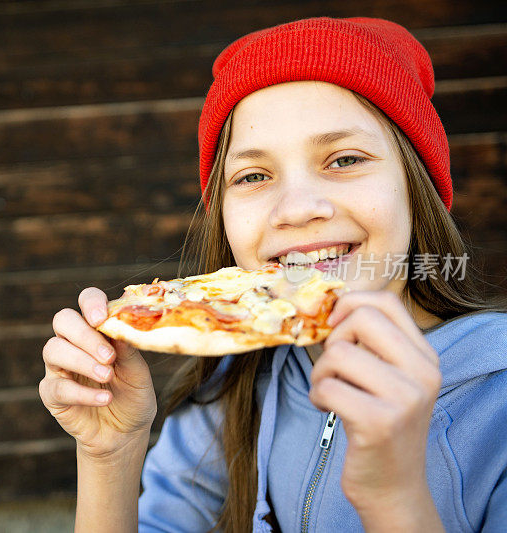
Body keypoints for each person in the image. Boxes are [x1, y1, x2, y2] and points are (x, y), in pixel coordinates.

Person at [38, 17, 507, 532]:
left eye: (344, 159)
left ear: (417, 187)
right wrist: (110, 455)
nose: (297, 208)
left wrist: (394, 498)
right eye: (254, 175)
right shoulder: (227, 392)